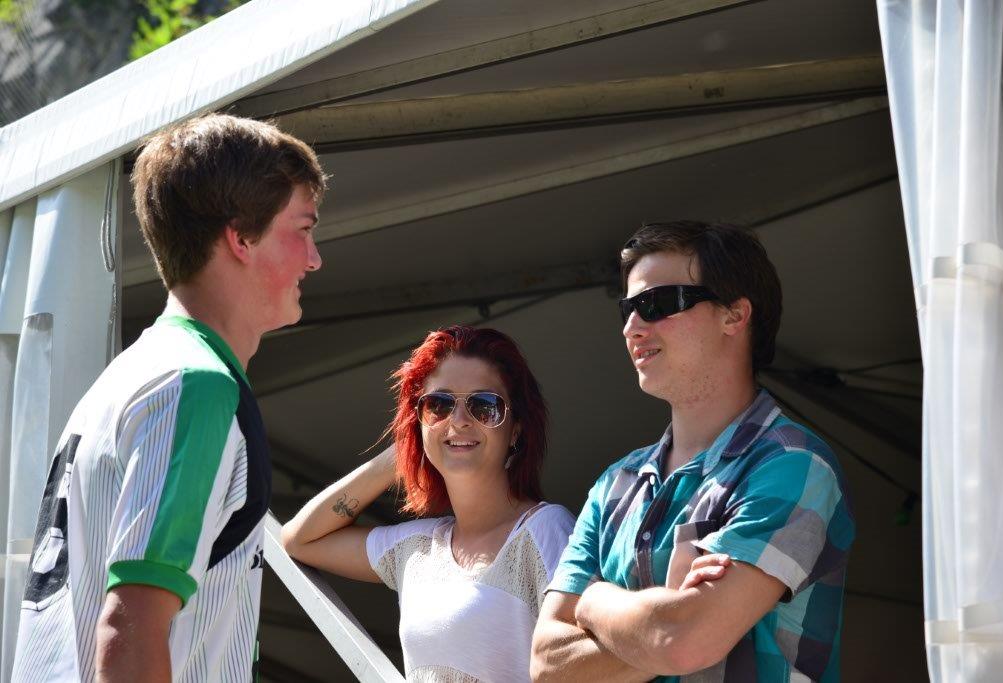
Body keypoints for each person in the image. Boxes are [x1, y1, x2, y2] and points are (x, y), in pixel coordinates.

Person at [11, 114, 326, 682]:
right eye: (302, 229)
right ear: (241, 238)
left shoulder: (130, 375)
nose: (314, 257)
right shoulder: (195, 386)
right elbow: (128, 628)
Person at [531, 221, 855, 682]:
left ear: (734, 315)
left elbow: (685, 643)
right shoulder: (613, 484)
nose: (632, 327)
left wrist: (595, 601)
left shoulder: (795, 465)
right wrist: (663, 620)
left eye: (657, 303)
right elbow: (546, 665)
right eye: (627, 309)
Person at [282, 325, 575, 682]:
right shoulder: (416, 548)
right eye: (439, 405)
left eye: (484, 406)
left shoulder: (544, 530)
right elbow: (300, 539)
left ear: (515, 429)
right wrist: (404, 450)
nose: (459, 420)